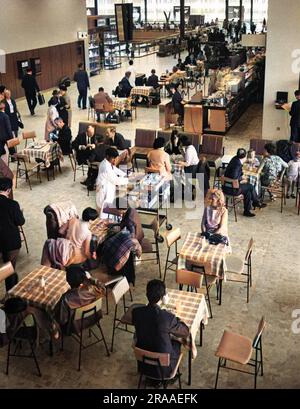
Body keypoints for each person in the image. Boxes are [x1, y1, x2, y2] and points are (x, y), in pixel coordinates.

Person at [132, 279, 189, 380]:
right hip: (164, 369)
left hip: (143, 365)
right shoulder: (167, 318)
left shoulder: (136, 312)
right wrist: (176, 318)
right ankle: (171, 375)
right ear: (162, 298)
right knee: (178, 342)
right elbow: (185, 332)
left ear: (146, 294)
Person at [57, 265, 105, 332]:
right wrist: (90, 279)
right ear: (84, 278)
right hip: (94, 318)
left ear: (68, 281)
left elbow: (62, 320)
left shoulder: (66, 299)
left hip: (75, 326)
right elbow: (103, 288)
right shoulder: (93, 289)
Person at [223, 148, 266, 217]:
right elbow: (234, 177)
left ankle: (247, 210)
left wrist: (241, 176)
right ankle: (256, 202)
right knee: (250, 186)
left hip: (227, 186)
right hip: (231, 189)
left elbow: (235, 174)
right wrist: (242, 179)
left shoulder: (235, 159)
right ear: (245, 156)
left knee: (248, 191)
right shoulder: (237, 164)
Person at [0, 178, 25, 291]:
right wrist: (19, 212)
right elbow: (20, 221)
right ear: (9, 190)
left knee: (6, 266)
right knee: (9, 268)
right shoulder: (13, 204)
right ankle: (10, 294)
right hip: (11, 242)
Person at [95, 148, 128, 215]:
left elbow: (114, 169)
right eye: (113, 158)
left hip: (108, 187)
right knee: (103, 208)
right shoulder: (105, 167)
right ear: (107, 156)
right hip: (104, 190)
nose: (114, 160)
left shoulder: (107, 163)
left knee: (107, 206)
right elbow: (115, 180)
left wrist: (124, 174)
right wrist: (128, 179)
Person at [0, 99, 13, 164]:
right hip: (7, 137)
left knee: (2, 152)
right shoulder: (5, 116)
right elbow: (8, 128)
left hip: (0, 138)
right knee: (12, 151)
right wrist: (12, 137)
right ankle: (14, 159)